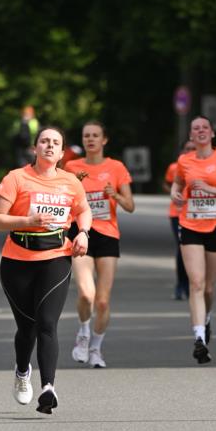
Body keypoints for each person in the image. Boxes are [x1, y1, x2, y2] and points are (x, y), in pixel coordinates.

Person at [0, 125, 92, 413]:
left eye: (55, 142)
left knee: (47, 323)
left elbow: (83, 209)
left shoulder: (70, 181)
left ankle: (48, 388)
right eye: (44, 141)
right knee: (27, 328)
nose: (49, 145)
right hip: (17, 261)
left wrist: (83, 233)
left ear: (62, 152)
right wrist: (26, 221)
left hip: (56, 257)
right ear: (35, 148)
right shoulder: (16, 178)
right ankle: (23, 371)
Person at [170, 116, 216, 364]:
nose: (200, 131)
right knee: (196, 283)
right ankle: (199, 338)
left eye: (205, 128)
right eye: (196, 129)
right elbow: (177, 184)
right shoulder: (184, 161)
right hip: (189, 224)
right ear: (191, 136)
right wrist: (176, 195)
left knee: (209, 288)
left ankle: (207, 317)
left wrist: (210, 189)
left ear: (212, 133)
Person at [64, 121, 134, 368]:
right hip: (80, 233)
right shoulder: (72, 167)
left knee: (102, 301)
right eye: (86, 136)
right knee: (86, 293)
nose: (91, 139)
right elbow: (61, 200)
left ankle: (96, 348)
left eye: (95, 135)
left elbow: (130, 206)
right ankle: (83, 333)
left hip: (108, 236)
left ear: (104, 140)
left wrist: (115, 195)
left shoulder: (116, 167)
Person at [163, 139, 195, 300]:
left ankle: (194, 284)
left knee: (195, 250)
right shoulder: (174, 167)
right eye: (187, 148)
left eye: (193, 148)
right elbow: (167, 184)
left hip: (197, 214)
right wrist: (175, 192)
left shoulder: (204, 167)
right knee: (182, 248)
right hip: (178, 213)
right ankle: (181, 284)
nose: (190, 151)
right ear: (182, 151)